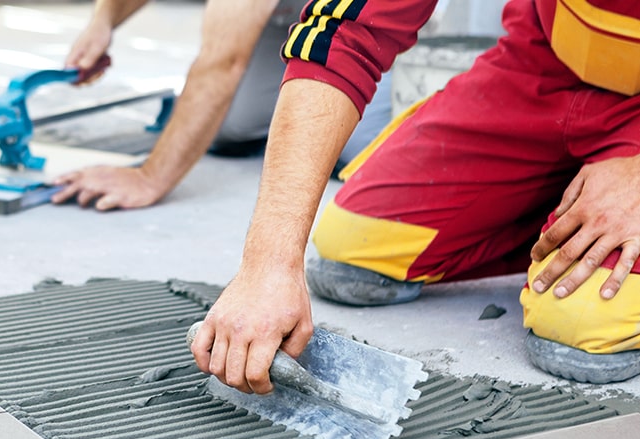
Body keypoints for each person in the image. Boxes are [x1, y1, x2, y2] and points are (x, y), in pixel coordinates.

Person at [190, 0, 640, 390]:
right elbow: (344, 29)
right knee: (354, 245)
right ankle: (565, 204)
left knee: (581, 326)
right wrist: (266, 265)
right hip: (549, 66)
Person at [50, 0, 392, 210]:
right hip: (301, 8)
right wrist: (103, 21)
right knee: (229, 125)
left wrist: (149, 178)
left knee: (358, 149)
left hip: (377, 14)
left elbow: (223, 62)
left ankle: (417, 77)